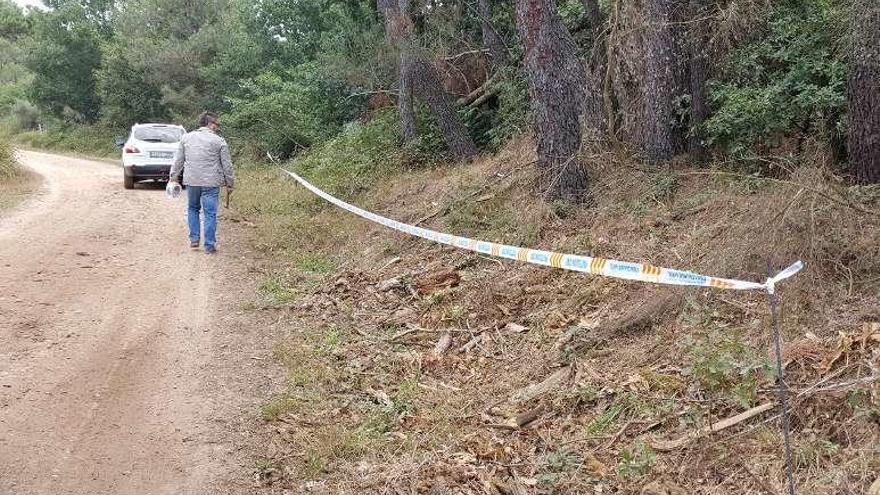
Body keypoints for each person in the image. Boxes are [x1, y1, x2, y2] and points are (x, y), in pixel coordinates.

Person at [169, 111, 235, 254]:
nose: (218, 127)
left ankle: (194, 239)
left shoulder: (186, 138)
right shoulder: (219, 141)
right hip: (211, 183)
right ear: (210, 124)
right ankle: (209, 246)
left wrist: (173, 177)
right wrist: (230, 183)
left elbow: (178, 160)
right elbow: (227, 164)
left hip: (192, 181)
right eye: (217, 124)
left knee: (193, 208)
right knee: (210, 213)